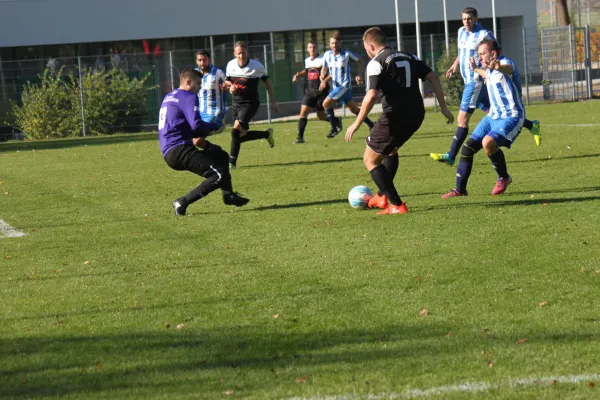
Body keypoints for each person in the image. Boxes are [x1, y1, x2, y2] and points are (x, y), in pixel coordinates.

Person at [345, 27, 454, 215]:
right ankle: (382, 195)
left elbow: (371, 96)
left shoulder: (376, 62)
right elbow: (434, 77)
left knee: (370, 160)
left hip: (395, 116)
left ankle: (396, 205)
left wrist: (356, 123)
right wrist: (443, 106)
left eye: (365, 48)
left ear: (370, 45)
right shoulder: (410, 56)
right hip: (417, 115)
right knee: (391, 151)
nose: (366, 51)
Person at [430, 7, 541, 166]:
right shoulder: (461, 31)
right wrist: (455, 65)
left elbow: (495, 51)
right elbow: (462, 52)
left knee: (462, 119)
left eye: (469, 19)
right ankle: (531, 125)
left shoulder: (484, 34)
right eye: (464, 19)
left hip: (476, 81)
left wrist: (496, 69)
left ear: (476, 19)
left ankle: (451, 155)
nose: (466, 22)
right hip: (470, 79)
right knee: (495, 112)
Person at [158, 69, 249, 216]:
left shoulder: (170, 96)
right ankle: (182, 202)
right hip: (179, 149)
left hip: (170, 150)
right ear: (188, 82)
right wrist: (213, 127)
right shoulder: (188, 96)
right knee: (218, 175)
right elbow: (196, 126)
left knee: (221, 155)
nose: (200, 87)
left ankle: (228, 195)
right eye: (198, 83)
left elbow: (184, 127)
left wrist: (208, 138)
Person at [442, 40, 524, 199]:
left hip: (511, 116)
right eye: (478, 54)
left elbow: (509, 69)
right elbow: (488, 74)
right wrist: (475, 69)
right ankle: (460, 190)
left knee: (487, 142)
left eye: (482, 54)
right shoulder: (489, 70)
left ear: (493, 54)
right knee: (467, 148)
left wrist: (498, 66)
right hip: (493, 117)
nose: (479, 57)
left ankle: (504, 177)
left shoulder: (505, 63)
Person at [222, 41, 279, 169]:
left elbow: (268, 84)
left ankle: (231, 163)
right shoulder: (231, 65)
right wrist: (230, 87)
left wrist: (274, 101)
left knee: (235, 131)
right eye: (238, 54)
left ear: (247, 52)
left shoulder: (257, 66)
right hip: (236, 103)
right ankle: (266, 134)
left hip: (250, 103)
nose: (241, 56)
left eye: (243, 53)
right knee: (239, 135)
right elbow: (227, 81)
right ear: (234, 54)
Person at [321, 32, 375, 138]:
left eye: (336, 43)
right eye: (332, 43)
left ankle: (334, 127)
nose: (334, 45)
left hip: (344, 86)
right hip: (336, 87)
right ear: (329, 44)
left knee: (325, 103)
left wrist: (359, 74)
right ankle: (371, 124)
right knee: (354, 109)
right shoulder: (327, 55)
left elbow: (360, 60)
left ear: (340, 43)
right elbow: (325, 68)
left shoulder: (346, 54)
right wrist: (323, 75)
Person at [291, 41, 338, 143]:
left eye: (314, 47)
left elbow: (331, 71)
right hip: (310, 92)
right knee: (303, 112)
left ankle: (335, 121)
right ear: (307, 49)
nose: (312, 49)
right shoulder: (307, 60)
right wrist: (298, 75)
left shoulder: (322, 59)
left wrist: (325, 81)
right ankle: (300, 137)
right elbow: (308, 71)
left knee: (320, 116)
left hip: (321, 92)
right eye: (310, 47)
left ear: (317, 48)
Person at [195, 49, 228, 129]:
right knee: (193, 138)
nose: (202, 63)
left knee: (198, 138)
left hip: (214, 113)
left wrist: (225, 87)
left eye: (204, 60)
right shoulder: (194, 73)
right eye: (199, 60)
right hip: (199, 112)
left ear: (209, 60)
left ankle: (220, 122)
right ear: (196, 61)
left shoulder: (218, 73)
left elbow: (228, 86)